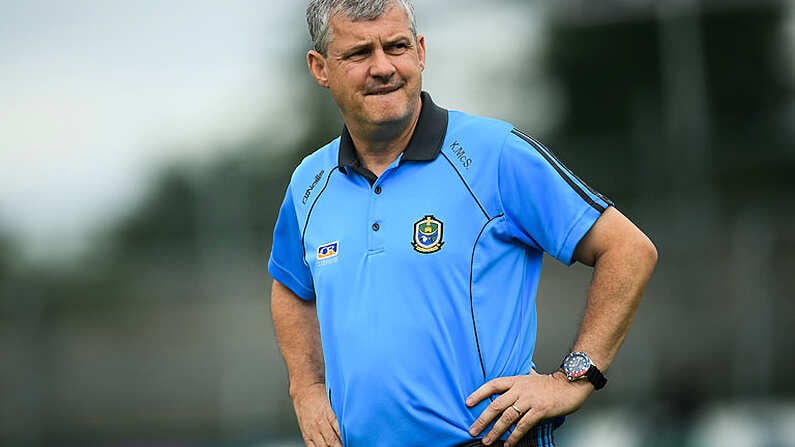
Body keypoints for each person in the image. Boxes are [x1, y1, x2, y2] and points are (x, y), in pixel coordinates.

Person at [268, 1, 658, 446]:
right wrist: (307, 389)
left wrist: (574, 378)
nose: (382, 68)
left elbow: (628, 249)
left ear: (420, 52)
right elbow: (289, 285)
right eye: (358, 54)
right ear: (320, 68)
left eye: (396, 47)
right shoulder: (309, 182)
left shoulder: (494, 154)